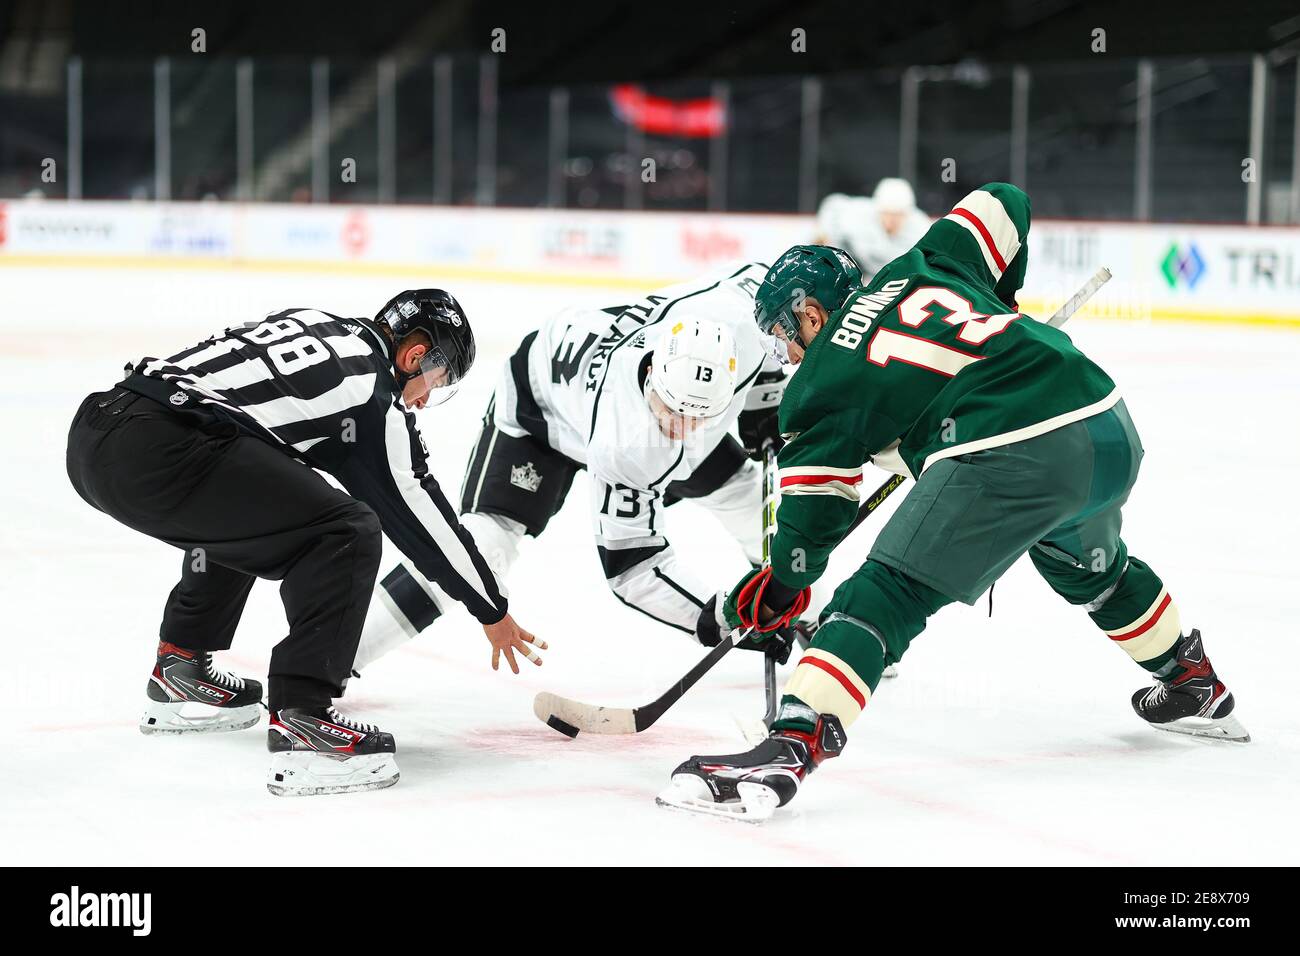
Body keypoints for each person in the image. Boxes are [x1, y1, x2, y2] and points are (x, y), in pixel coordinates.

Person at [661, 185, 1248, 822]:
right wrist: (1002, 302)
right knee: (1092, 569)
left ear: (809, 314)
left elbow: (814, 518)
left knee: (884, 594)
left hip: (1014, 455)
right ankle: (1194, 681)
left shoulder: (818, 381)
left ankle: (790, 746)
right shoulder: (925, 260)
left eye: (784, 334)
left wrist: (781, 586)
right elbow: (1005, 201)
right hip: (1105, 423)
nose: (787, 354)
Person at [65, 290, 543, 796]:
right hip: (164, 449)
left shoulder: (316, 322)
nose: (424, 398)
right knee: (349, 529)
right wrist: (491, 608)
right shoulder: (371, 395)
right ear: (414, 355)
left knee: (257, 505)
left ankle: (180, 667)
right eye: (435, 381)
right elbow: (423, 520)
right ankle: (304, 721)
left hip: (101, 429)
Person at [351, 264, 805, 674]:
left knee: (747, 495)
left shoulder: (740, 321)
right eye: (671, 411)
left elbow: (785, 294)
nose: (683, 431)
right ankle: (339, 658)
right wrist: (718, 618)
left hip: (607, 377)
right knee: (481, 545)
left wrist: (765, 400)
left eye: (699, 416)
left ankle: (813, 620)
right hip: (541, 409)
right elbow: (634, 568)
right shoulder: (625, 442)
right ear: (652, 376)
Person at [815, 177, 930, 280]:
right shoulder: (859, 215)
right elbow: (832, 203)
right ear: (878, 210)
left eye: (898, 215)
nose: (892, 220)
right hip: (857, 269)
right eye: (887, 213)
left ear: (908, 214)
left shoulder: (921, 229)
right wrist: (824, 233)